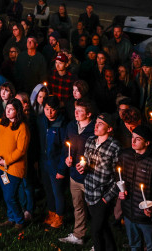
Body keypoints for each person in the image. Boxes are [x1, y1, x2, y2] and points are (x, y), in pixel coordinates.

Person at [76, 113, 121, 251]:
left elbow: (119, 176)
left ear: (109, 129)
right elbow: (87, 163)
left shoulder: (114, 147)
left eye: (100, 124)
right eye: (96, 122)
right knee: (104, 228)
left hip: (103, 196)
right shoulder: (90, 140)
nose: (96, 126)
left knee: (95, 230)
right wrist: (82, 168)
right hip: (89, 192)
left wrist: (106, 199)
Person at [116, 125, 152, 251]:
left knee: (151, 247)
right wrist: (120, 190)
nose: (132, 141)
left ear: (147, 142)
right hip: (128, 212)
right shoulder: (125, 155)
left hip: (146, 217)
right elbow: (118, 176)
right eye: (132, 137)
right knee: (134, 245)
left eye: (137, 139)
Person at [59, 99, 95, 246]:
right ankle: (79, 235)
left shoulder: (94, 129)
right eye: (75, 110)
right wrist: (68, 159)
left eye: (80, 111)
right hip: (74, 175)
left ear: (89, 114)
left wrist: (87, 164)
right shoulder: (71, 126)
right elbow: (67, 146)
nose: (76, 113)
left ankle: (97, 240)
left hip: (90, 177)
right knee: (78, 206)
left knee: (94, 210)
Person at [0, 98, 29, 229]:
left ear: (17, 111)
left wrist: (5, 160)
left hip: (14, 168)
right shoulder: (1, 122)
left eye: (11, 109)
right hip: (0, 166)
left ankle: (20, 220)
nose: (8, 111)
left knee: (10, 196)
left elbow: (21, 150)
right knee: (6, 193)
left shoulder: (22, 127)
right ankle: (11, 217)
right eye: (7, 108)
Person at [38, 95, 68, 229]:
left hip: (56, 165)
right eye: (46, 109)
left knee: (58, 192)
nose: (49, 113)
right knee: (48, 190)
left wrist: (62, 169)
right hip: (45, 163)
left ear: (58, 109)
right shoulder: (42, 121)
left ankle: (60, 217)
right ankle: (51, 213)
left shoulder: (63, 125)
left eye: (52, 109)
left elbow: (65, 149)